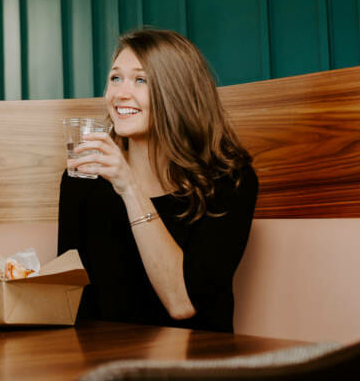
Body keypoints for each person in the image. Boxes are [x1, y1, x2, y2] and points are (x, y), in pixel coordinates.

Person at [57, 27, 257, 332]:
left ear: (177, 92)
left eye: (140, 80)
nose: (120, 94)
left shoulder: (229, 182)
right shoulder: (83, 179)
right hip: (102, 366)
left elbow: (183, 304)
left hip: (195, 363)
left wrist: (129, 188)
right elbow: (69, 299)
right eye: (115, 78)